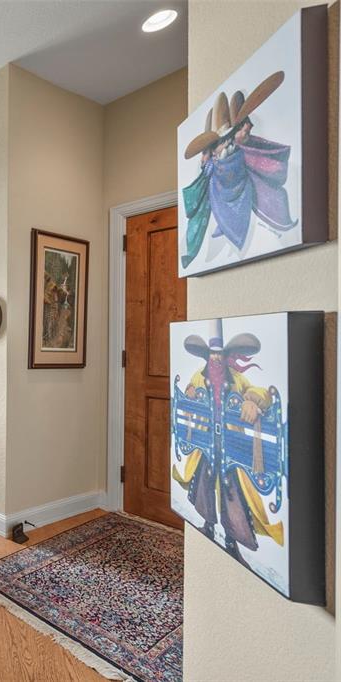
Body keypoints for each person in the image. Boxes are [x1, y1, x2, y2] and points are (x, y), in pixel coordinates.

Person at [172, 319, 282, 565]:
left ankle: (232, 540)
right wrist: (190, 392)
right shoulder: (199, 376)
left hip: (230, 443)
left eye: (220, 354)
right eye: (212, 354)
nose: (216, 359)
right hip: (206, 442)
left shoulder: (237, 379)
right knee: (203, 483)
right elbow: (191, 391)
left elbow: (259, 393)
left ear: (227, 355)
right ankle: (208, 525)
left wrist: (251, 400)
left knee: (232, 490)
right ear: (207, 355)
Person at [181, 71, 296, 269]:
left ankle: (229, 226)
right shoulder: (213, 164)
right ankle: (224, 226)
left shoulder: (242, 152)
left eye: (246, 130)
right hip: (223, 185)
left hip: (238, 181)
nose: (245, 133)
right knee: (221, 204)